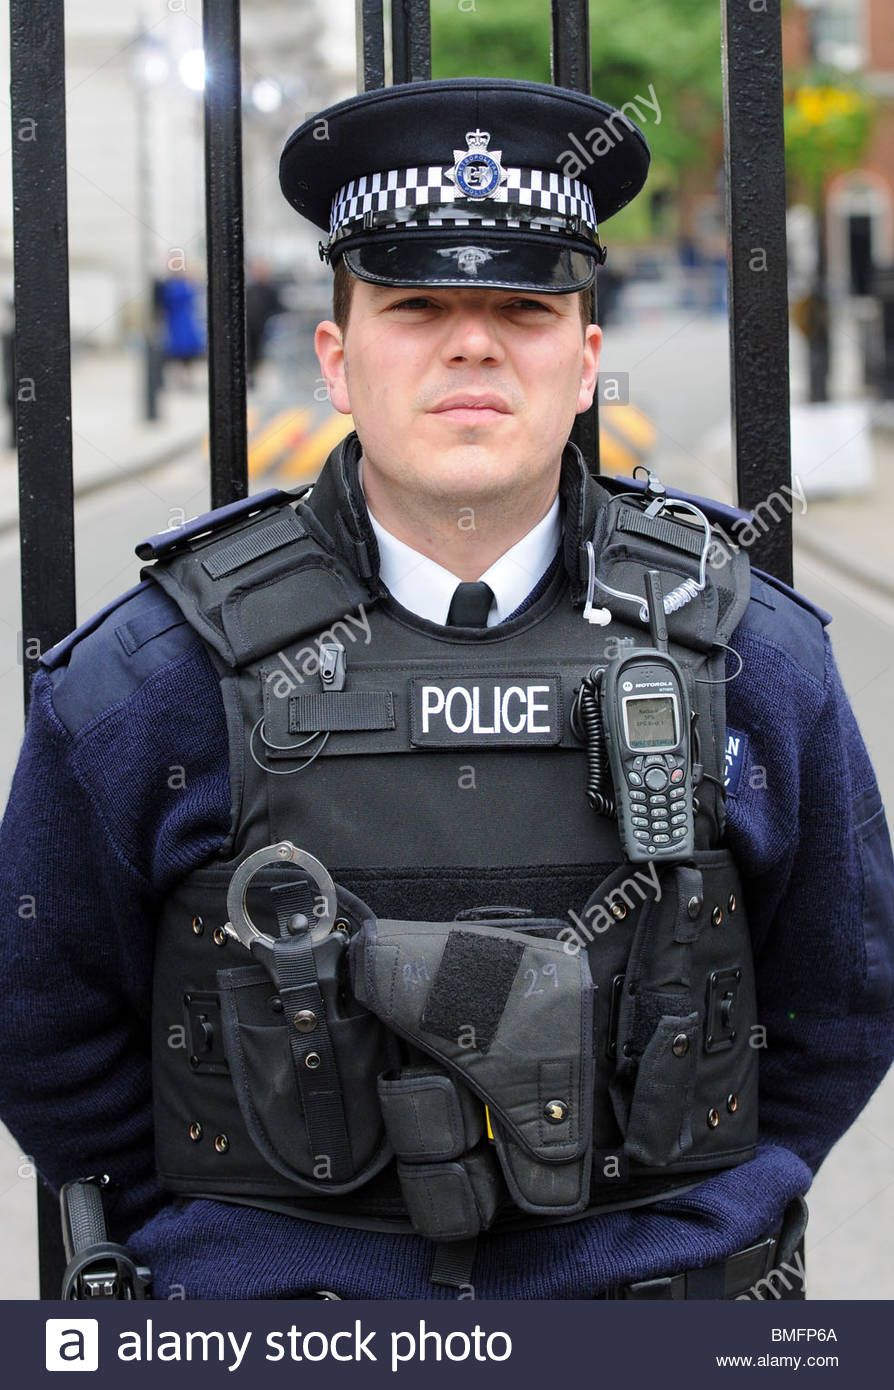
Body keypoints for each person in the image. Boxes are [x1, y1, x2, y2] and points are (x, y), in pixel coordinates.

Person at [0, 77, 892, 1303]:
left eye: (522, 308)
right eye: (416, 304)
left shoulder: (758, 662)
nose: (472, 342)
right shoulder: (150, 683)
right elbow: (47, 1023)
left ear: (585, 363)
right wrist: (236, 1253)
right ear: (337, 356)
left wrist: (699, 1221)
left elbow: (844, 996)